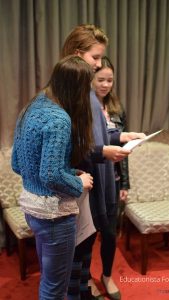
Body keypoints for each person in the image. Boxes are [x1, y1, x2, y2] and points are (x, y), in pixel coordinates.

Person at [61, 24, 145, 300]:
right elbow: (75, 146)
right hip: (87, 185)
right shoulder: (72, 96)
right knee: (81, 250)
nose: (99, 65)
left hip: (106, 182)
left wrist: (122, 135)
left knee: (94, 245)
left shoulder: (91, 96)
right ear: (77, 54)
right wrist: (105, 152)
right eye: (95, 58)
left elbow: (100, 132)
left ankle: (89, 285)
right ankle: (83, 289)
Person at [11, 55, 94, 300]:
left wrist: (67, 172)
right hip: (54, 216)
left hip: (32, 209)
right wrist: (78, 182)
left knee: (49, 281)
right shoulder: (59, 119)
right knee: (55, 288)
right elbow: (49, 174)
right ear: (76, 88)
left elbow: (18, 164)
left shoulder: (33, 105)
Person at [89, 56, 130, 299]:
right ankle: (85, 279)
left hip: (112, 181)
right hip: (91, 180)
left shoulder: (116, 108)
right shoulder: (83, 106)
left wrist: (125, 182)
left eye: (110, 80)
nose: (105, 85)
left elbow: (125, 149)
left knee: (110, 233)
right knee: (87, 234)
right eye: (100, 79)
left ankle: (106, 274)